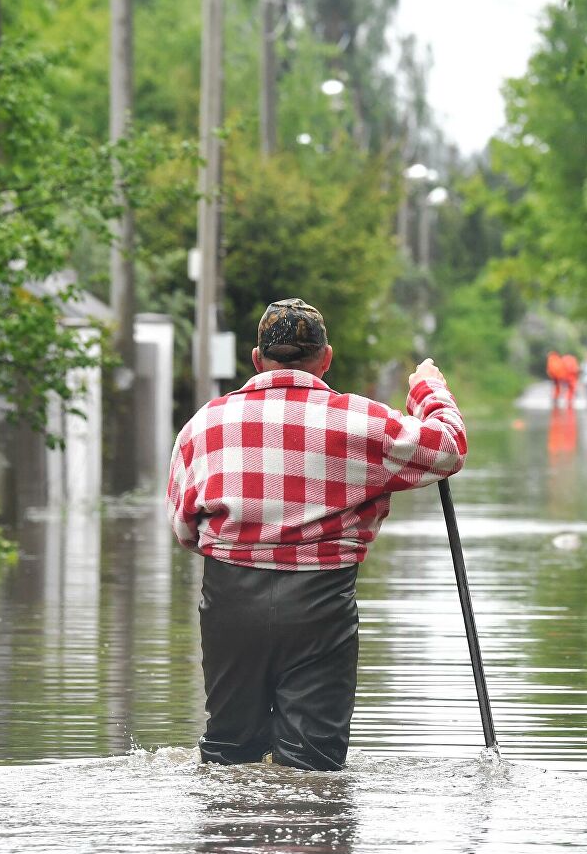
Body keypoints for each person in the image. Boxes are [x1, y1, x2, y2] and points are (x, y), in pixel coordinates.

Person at [166, 298, 466, 771]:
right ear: (326, 360)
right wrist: (428, 392)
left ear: (256, 359)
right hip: (320, 607)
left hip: (228, 602)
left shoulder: (203, 425)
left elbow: (184, 529)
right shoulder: (361, 421)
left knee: (228, 753)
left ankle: (225, 840)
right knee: (312, 762)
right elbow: (447, 449)